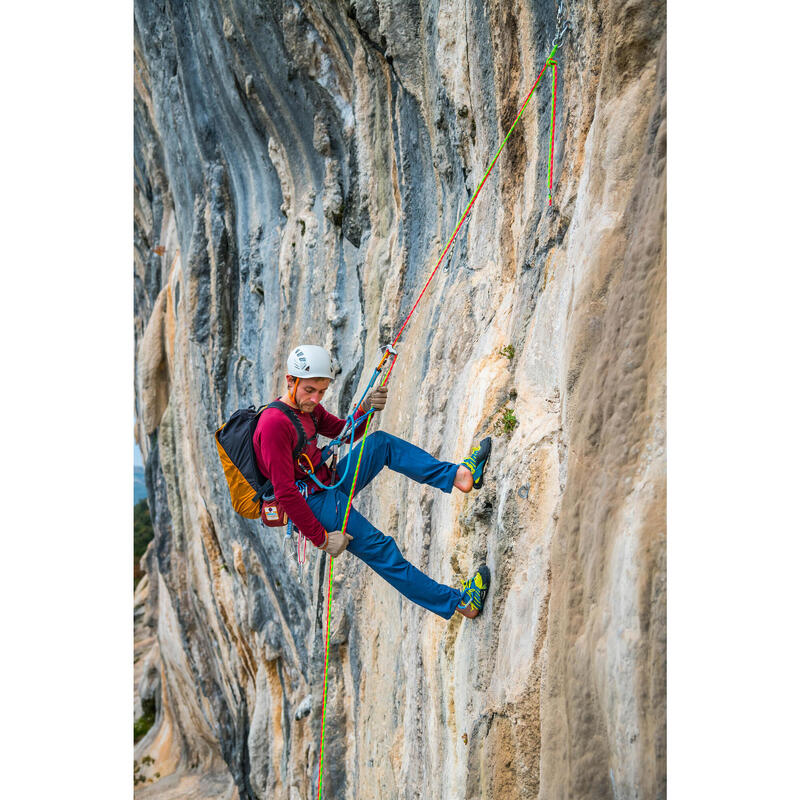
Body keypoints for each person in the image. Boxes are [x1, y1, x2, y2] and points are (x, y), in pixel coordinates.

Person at [253, 345, 492, 620]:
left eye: (322, 391)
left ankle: (460, 476)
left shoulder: (309, 409)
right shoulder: (273, 425)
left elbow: (343, 431)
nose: (316, 398)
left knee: (381, 445)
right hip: (313, 504)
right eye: (310, 390)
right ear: (290, 381)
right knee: (382, 550)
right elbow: (285, 493)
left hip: (327, 483)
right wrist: (321, 539)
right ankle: (462, 604)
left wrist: (365, 408)